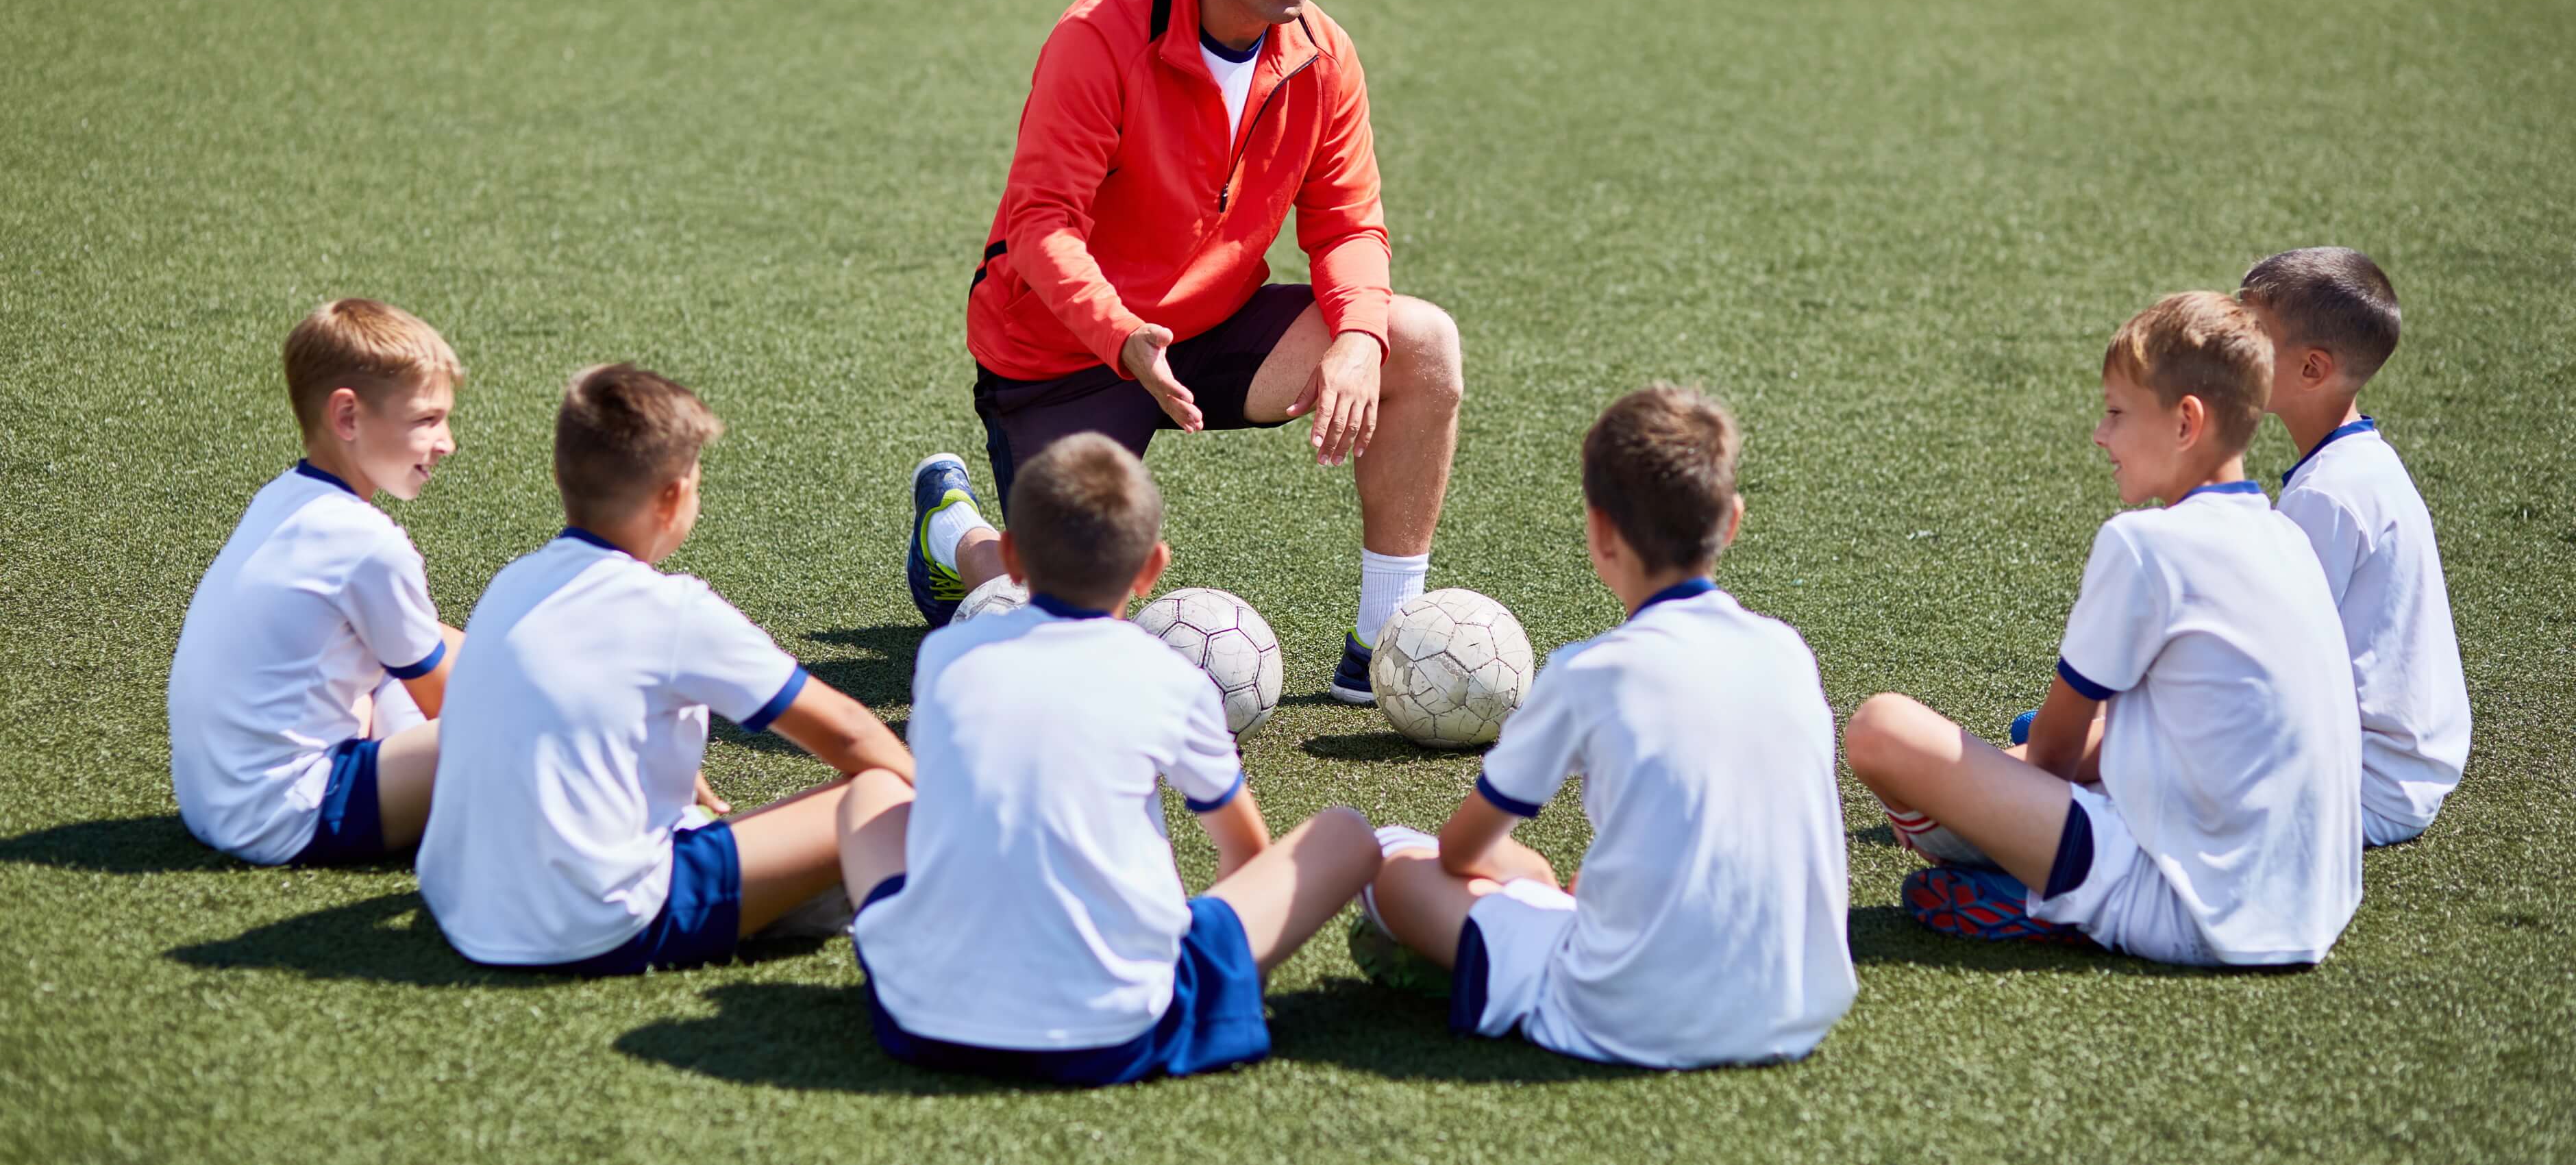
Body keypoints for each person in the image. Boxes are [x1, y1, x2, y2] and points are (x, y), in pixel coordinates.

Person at [904, 0, 1463, 707]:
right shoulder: (1100, 36)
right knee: (1070, 636)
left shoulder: (1324, 56)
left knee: (1420, 341)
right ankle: (954, 534)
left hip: (1213, 329)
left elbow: (1349, 224)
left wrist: (1359, 336)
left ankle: (1386, 643)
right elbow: (1042, 224)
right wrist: (1122, 336)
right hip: (1066, 349)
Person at [843, 434, 1382, 1085]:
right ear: (1153, 567)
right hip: (1117, 1033)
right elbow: (1245, 850)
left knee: (872, 793)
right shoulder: (1171, 681)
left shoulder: (945, 657)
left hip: (920, 1020)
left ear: (1009, 557)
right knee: (1346, 834)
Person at [1848, 292, 2362, 966]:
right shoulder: (2285, 537)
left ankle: (2047, 900)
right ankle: (2033, 878)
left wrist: (1957, 796)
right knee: (2086, 745)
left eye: (2116, 412)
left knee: (1882, 730)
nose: (2099, 433)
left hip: (2187, 905)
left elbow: (2056, 751)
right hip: (2311, 902)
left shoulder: (2147, 543)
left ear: (2186, 421)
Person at [1354, 387, 1856, 1068]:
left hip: (1625, 1014)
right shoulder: (1788, 653)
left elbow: (1459, 852)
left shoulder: (1588, 672)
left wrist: (1519, 874)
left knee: (1389, 858)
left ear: (1600, 531)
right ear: (1732, 521)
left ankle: (1504, 941)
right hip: (1798, 1005)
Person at [417, 364, 913, 975]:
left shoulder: (512, 583)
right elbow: (848, 732)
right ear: (675, 497)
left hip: (461, 901)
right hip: (593, 924)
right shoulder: (674, 610)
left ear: (559, 475)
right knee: (883, 795)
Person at [167, 298, 463, 866]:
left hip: (216, 800)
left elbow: (431, 643)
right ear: (348, 417)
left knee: (428, 667)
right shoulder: (368, 544)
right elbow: (461, 704)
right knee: (522, 724)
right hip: (285, 813)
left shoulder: (283, 498)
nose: (447, 442)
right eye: (427, 419)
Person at [2241, 247, 2469, 847]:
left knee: (2119, 780)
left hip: (2360, 786)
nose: (2230, 345)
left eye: (2253, 333)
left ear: (2312, 369)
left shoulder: (2330, 497)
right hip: (2397, 770)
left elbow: (2258, 664)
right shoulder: (2358, 465)